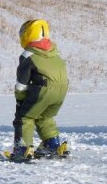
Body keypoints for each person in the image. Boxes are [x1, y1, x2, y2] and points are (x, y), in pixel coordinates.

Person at [11, 19, 69, 161]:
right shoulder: (54, 52)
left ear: (27, 34)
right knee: (45, 117)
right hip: (62, 90)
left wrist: (20, 99)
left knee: (24, 117)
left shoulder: (28, 55)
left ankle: (22, 149)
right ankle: (53, 145)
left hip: (44, 90)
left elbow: (22, 83)